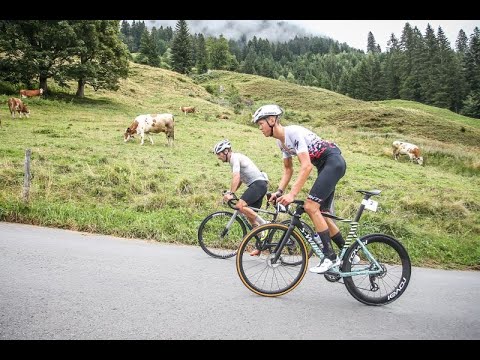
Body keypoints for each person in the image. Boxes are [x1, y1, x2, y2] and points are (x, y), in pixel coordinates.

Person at [252, 104, 349, 273]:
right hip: (325, 167)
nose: (260, 128)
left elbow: (306, 166)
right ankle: (349, 254)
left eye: (261, 123)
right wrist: (280, 192)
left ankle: (330, 258)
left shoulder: (293, 133)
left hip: (333, 162)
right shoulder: (281, 143)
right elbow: (288, 170)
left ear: (272, 120)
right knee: (323, 215)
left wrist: (292, 194)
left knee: (311, 207)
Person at [213, 139, 269, 252]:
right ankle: (260, 246)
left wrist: (231, 194)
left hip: (258, 184)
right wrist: (230, 191)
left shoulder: (234, 158)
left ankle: (265, 224)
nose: (218, 157)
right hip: (258, 185)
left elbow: (236, 177)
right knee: (251, 218)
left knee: (240, 206)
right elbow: (240, 180)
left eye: (219, 154)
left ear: (226, 151)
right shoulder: (233, 160)